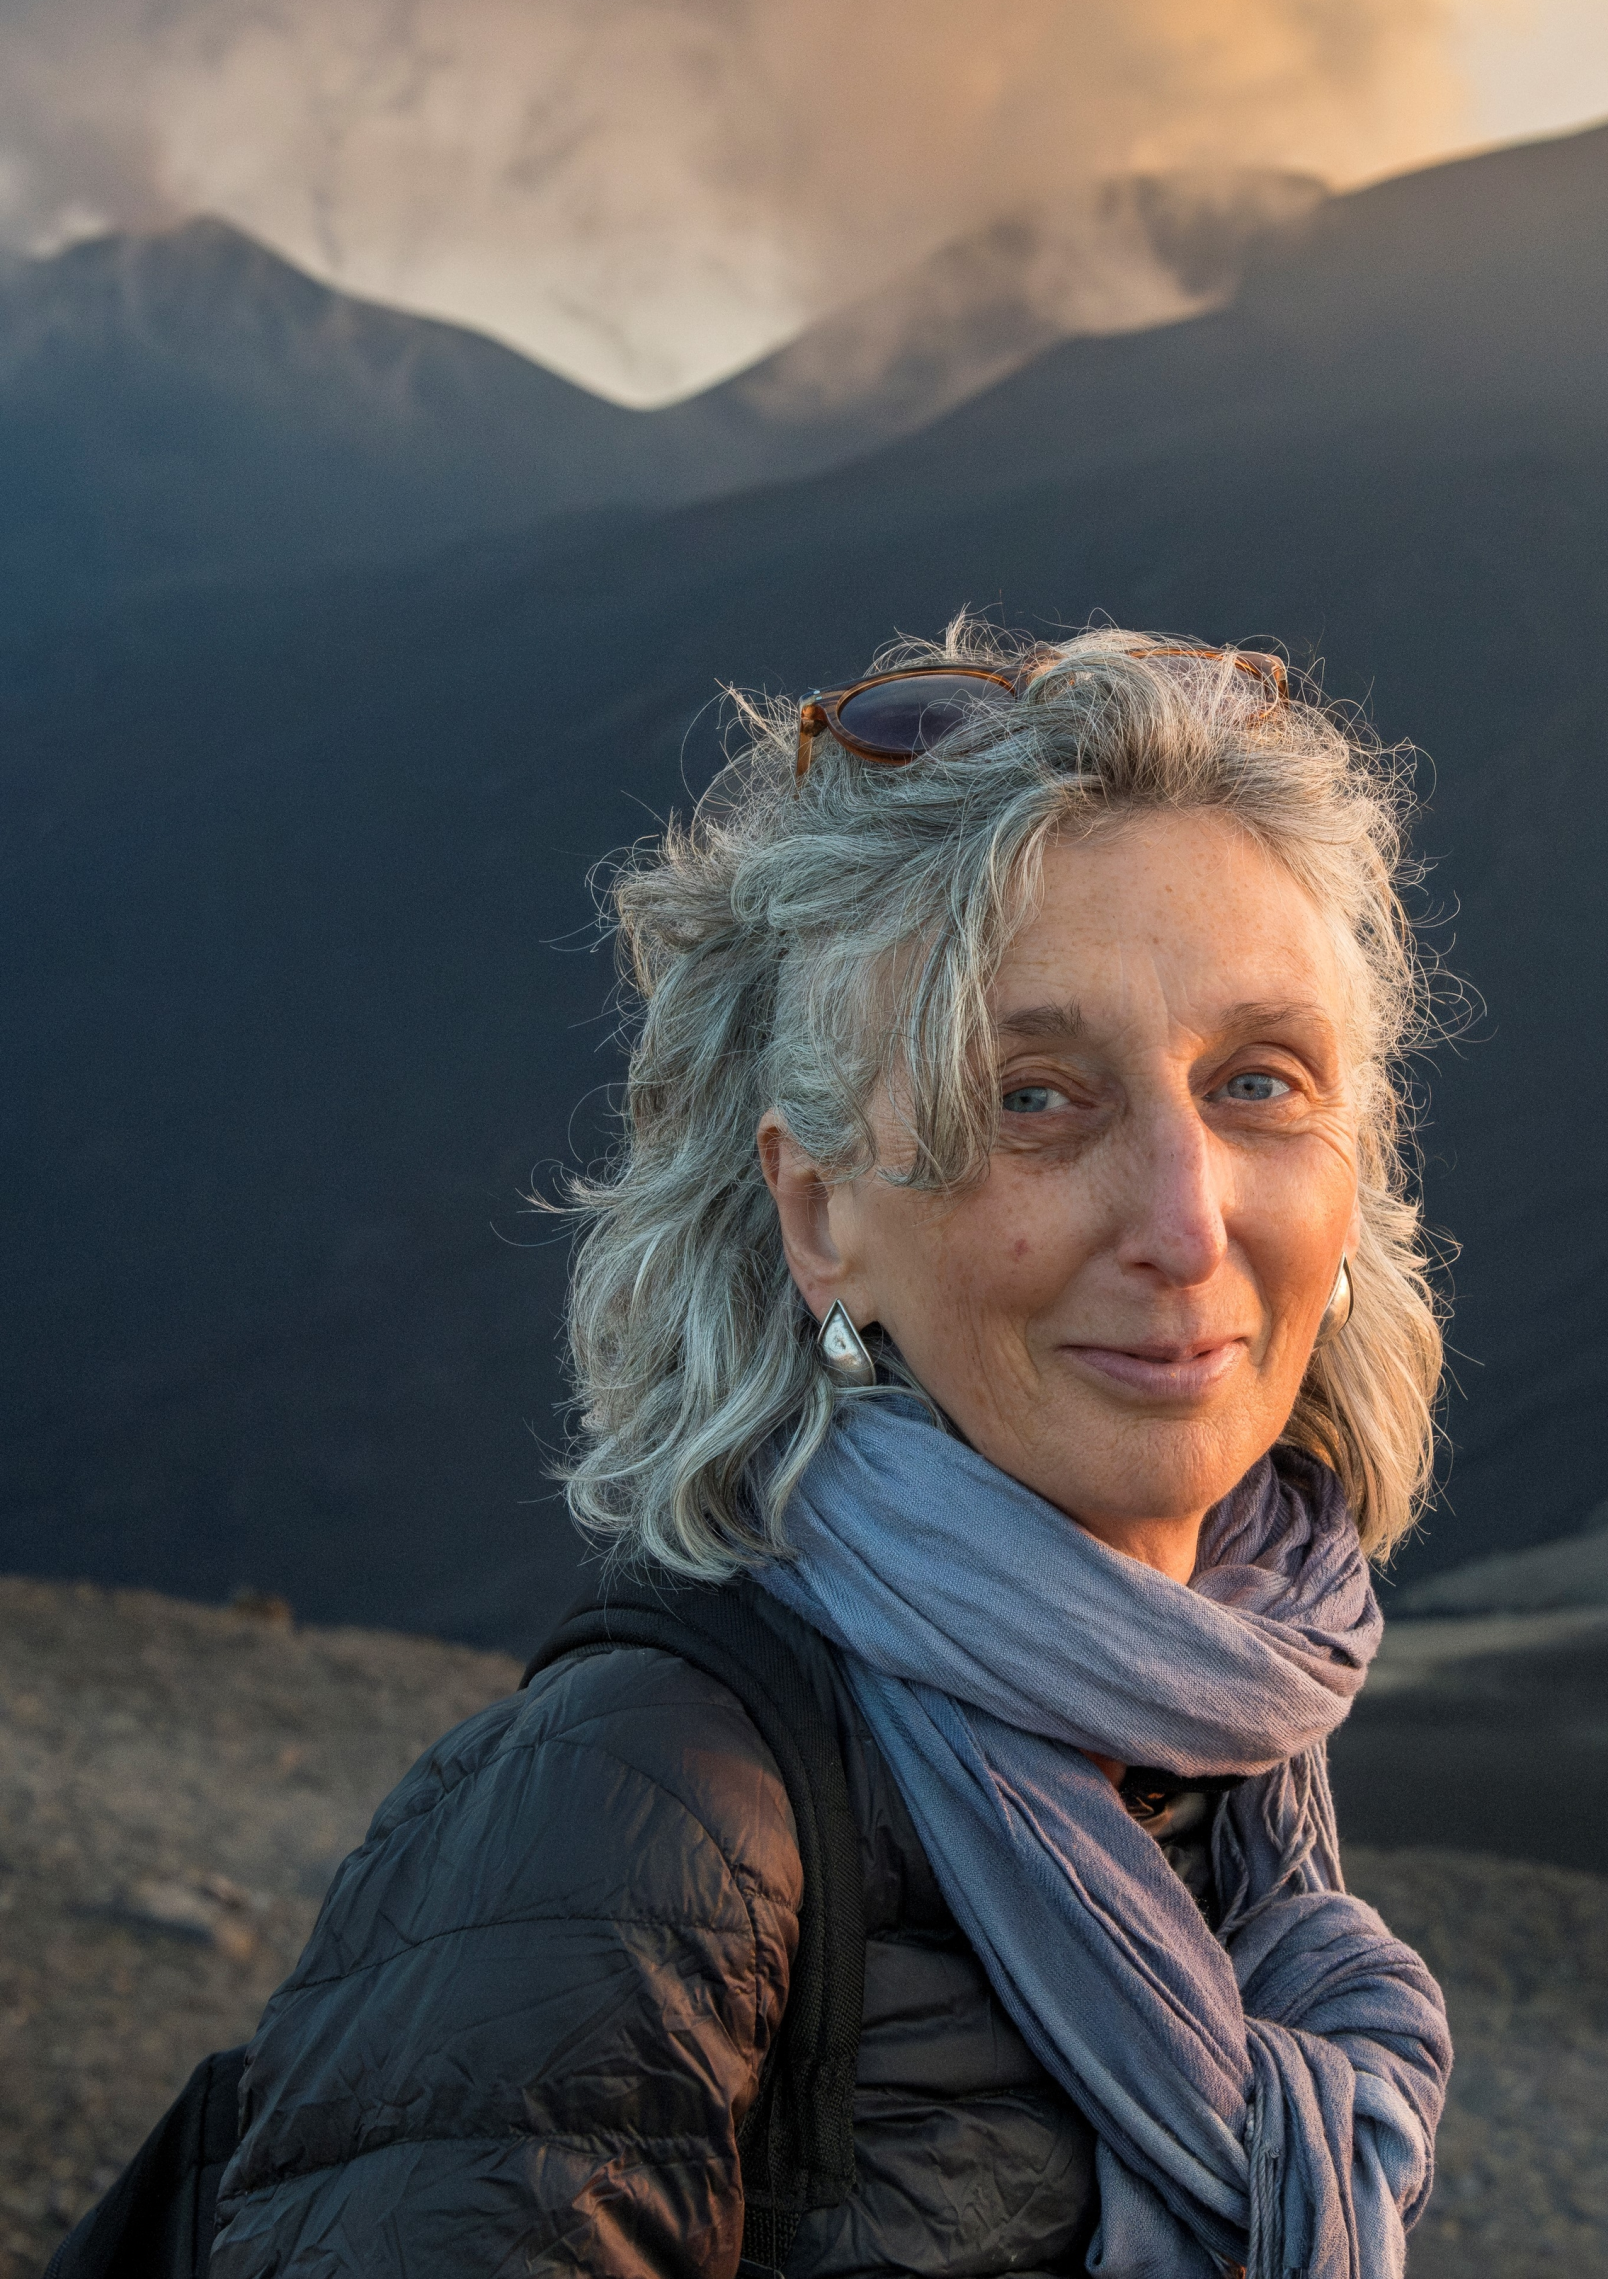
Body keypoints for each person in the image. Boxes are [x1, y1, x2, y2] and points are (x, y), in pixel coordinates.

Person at [209, 626, 1455, 2278]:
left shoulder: (1229, 1748)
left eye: (1257, 1081)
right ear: (821, 1216)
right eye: (1034, 1097)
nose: (1184, 1217)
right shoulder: (649, 1816)